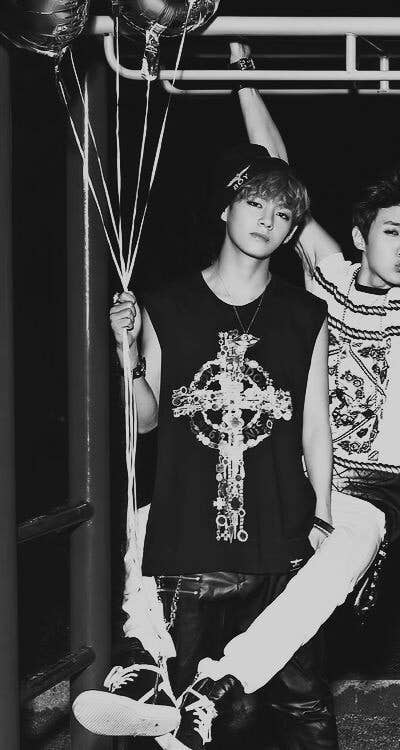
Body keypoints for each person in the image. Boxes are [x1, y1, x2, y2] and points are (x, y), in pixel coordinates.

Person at [148, 47, 400, 721]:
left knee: (334, 561)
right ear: (361, 237)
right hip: (300, 471)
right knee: (178, 523)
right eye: (392, 232)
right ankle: (152, 667)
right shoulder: (328, 276)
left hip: (374, 487)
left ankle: (221, 686)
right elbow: (277, 171)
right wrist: (245, 80)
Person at [73, 142, 338, 750]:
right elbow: (145, 421)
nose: (267, 221)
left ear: (292, 231)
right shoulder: (167, 306)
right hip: (187, 544)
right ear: (226, 209)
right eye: (255, 203)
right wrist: (128, 356)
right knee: (180, 713)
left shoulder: (306, 314)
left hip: (281, 539)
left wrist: (322, 515)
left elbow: (314, 424)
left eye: (283, 214)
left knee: (301, 706)